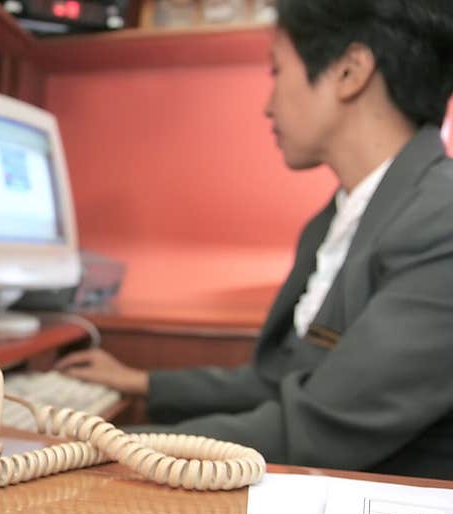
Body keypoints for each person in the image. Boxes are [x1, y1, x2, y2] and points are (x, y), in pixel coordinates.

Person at [55, 0, 453, 479]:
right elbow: (279, 379)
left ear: (351, 71)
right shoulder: (341, 218)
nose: (268, 103)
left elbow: (314, 430)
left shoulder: (441, 218)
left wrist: (84, 449)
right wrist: (143, 382)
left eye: (277, 71)